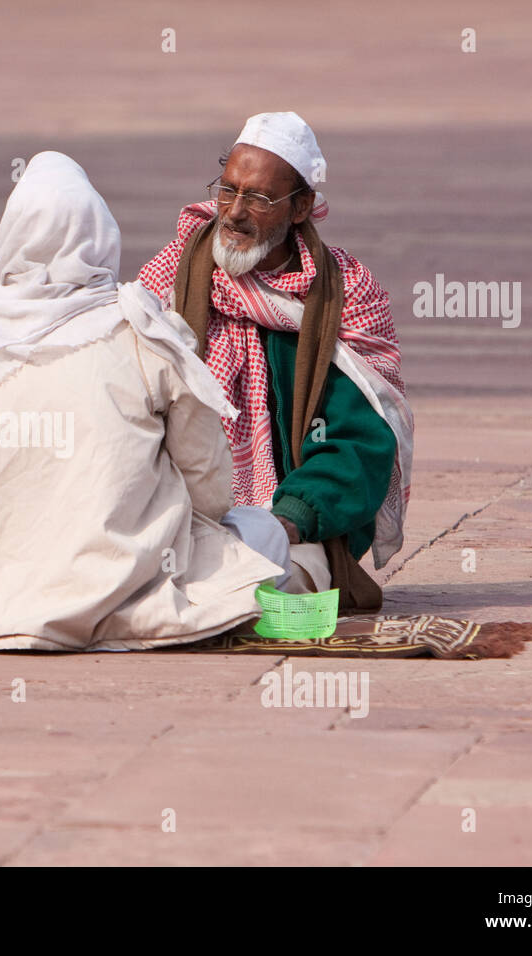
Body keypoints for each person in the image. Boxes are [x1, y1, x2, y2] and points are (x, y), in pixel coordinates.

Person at [0, 151, 284, 652]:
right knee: (261, 533)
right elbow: (207, 484)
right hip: (114, 583)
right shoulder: (142, 327)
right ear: (100, 235)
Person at [137, 112, 414, 612]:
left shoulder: (346, 295)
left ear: (302, 207)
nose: (235, 212)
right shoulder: (169, 278)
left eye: (260, 198)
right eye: (229, 190)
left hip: (293, 528)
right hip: (176, 516)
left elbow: (361, 444)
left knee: (260, 591)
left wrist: (287, 517)